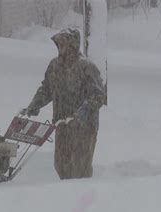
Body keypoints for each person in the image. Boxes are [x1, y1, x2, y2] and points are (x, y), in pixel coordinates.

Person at [21, 28, 105, 179]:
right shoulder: (55, 66)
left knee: (80, 168)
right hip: (62, 125)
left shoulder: (87, 67)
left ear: (72, 45)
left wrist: (85, 110)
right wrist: (35, 104)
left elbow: (98, 95)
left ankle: (82, 197)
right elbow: (47, 89)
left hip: (84, 129)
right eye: (58, 44)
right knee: (61, 166)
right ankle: (65, 198)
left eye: (63, 43)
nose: (60, 47)